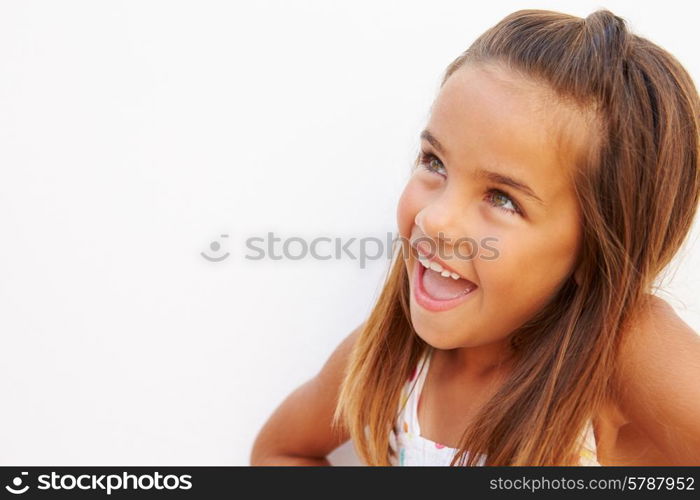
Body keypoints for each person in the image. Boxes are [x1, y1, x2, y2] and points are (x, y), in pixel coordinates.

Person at [250, 8, 700, 466]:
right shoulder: (393, 359)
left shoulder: (623, 351)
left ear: (595, 251)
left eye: (503, 199)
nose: (435, 219)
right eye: (434, 163)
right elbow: (279, 453)